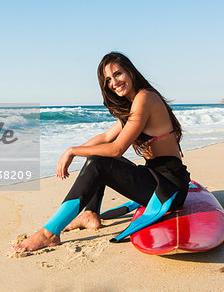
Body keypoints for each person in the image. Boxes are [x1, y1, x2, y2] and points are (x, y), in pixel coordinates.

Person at [13, 52, 191, 252]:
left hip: (169, 188)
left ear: (130, 72)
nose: (114, 82)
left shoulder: (145, 98)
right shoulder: (135, 104)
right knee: (96, 156)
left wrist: (72, 151)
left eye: (118, 74)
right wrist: (74, 152)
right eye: (108, 79)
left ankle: (49, 234)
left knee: (100, 162)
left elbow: (116, 149)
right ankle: (90, 214)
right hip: (157, 177)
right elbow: (106, 137)